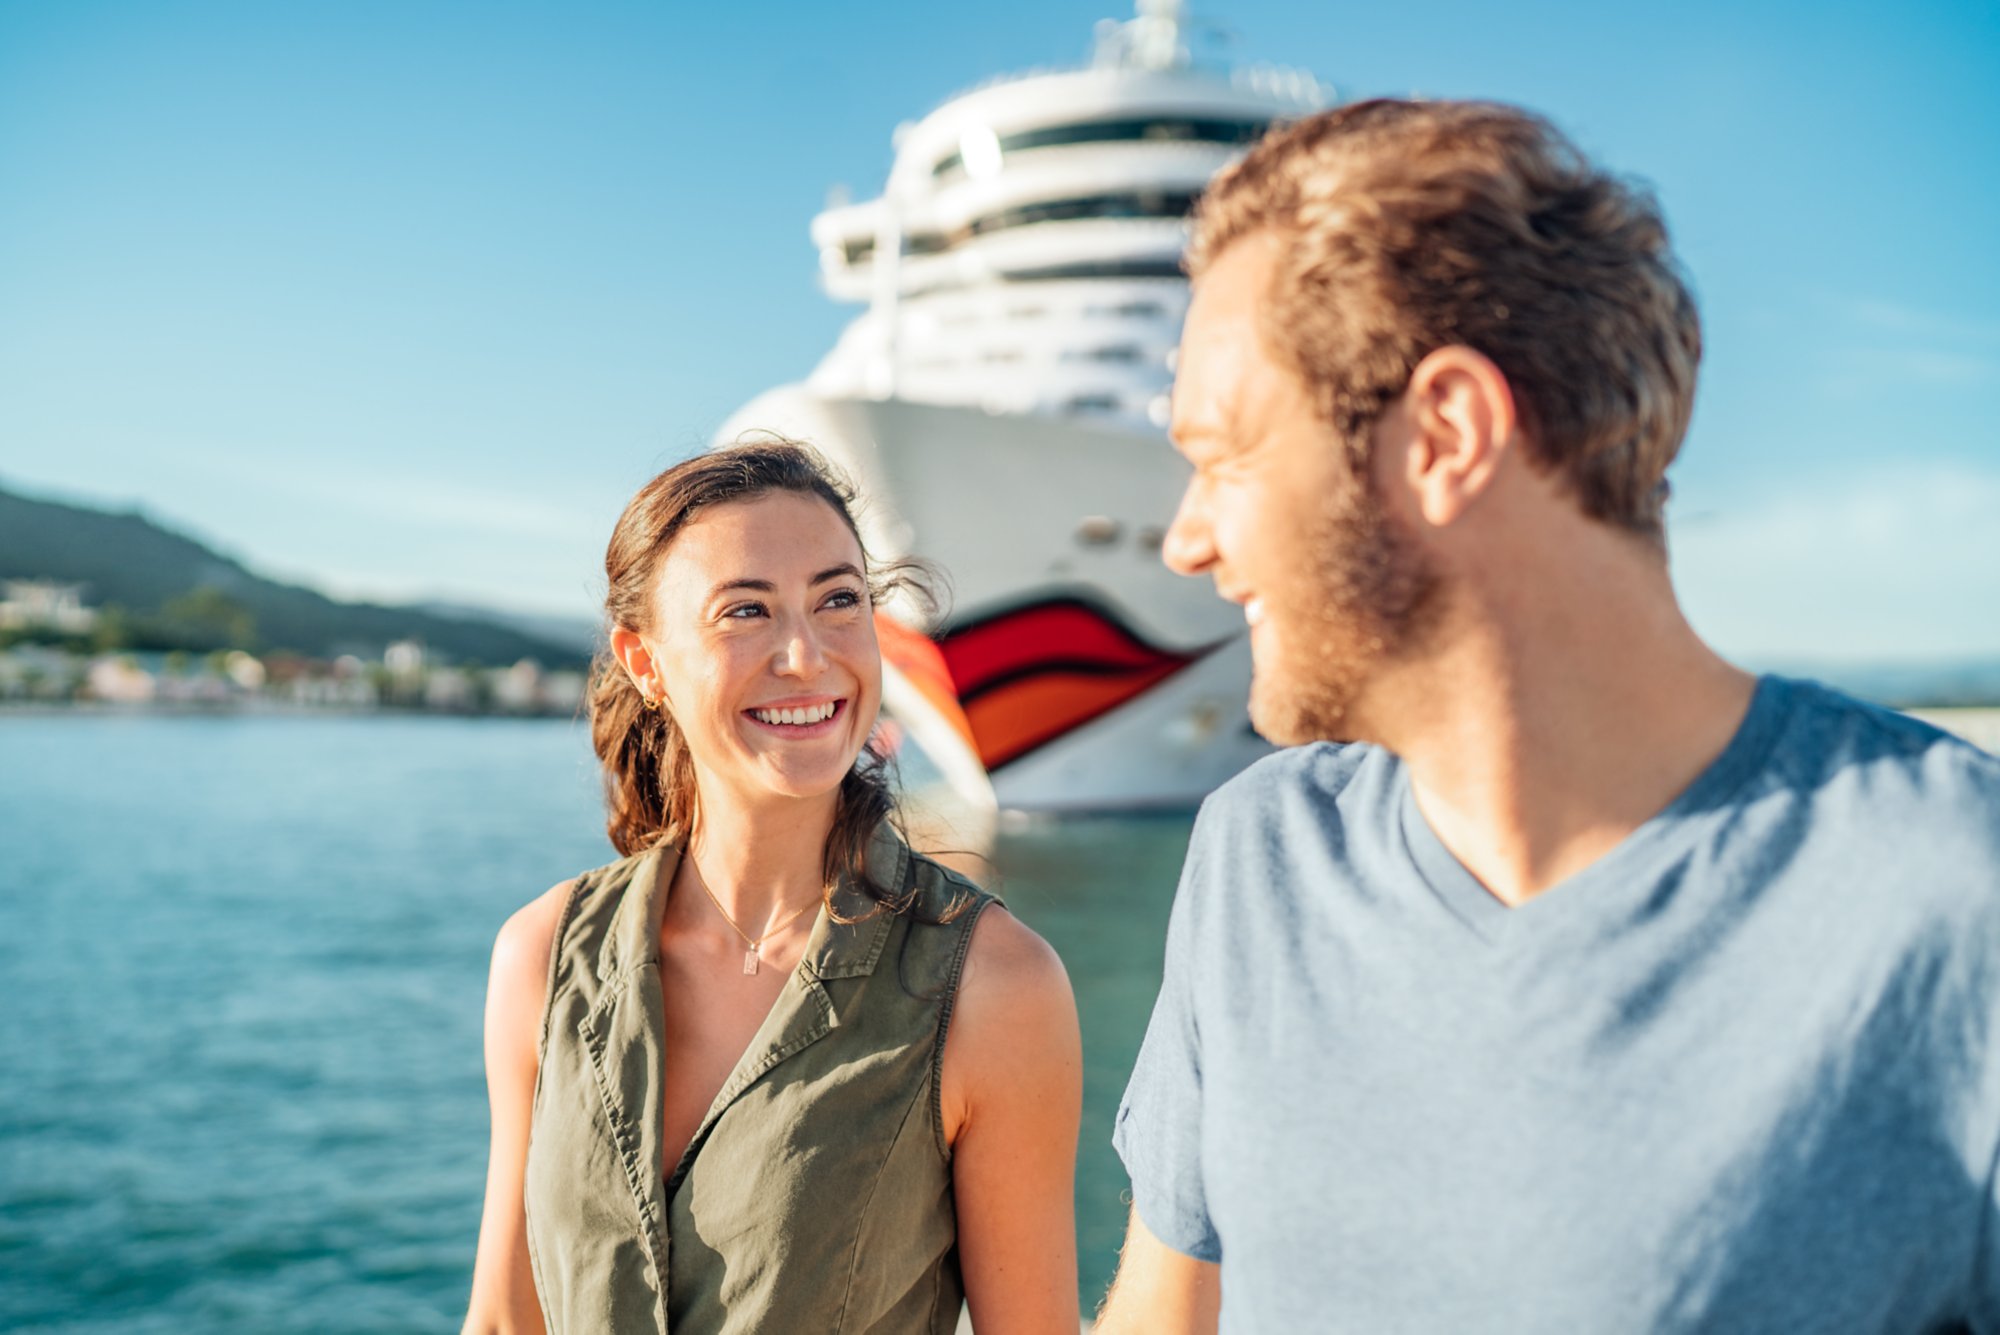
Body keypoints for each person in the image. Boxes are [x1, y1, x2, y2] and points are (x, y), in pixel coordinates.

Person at [1098, 99, 2000, 1333]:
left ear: (1445, 437)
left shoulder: (1956, 898)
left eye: (1226, 455)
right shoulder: (1256, 862)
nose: (1186, 537)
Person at [463, 441, 1082, 1334]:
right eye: (745, 611)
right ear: (645, 663)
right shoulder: (542, 955)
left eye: (839, 600)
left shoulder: (996, 988)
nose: (805, 654)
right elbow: (500, 1320)